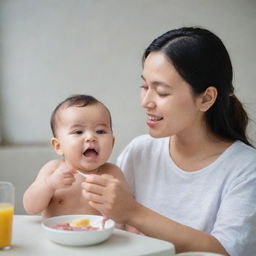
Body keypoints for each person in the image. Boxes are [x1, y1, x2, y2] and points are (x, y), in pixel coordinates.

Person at [81, 27, 256, 256]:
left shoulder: (246, 168)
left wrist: (133, 212)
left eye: (161, 92)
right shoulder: (140, 151)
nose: (146, 102)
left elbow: (225, 250)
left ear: (206, 98)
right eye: (144, 87)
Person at [23, 94, 128, 218]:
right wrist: (49, 185)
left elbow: (127, 210)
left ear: (112, 143)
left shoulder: (112, 174)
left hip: (99, 236)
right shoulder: (53, 170)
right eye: (78, 132)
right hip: (58, 236)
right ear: (58, 146)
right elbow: (31, 207)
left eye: (100, 131)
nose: (90, 137)